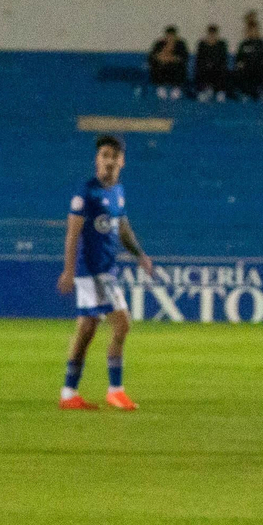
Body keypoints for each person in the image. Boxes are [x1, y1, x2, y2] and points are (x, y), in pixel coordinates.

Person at [57, 135, 154, 411]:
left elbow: (123, 228)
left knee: (87, 330)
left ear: (122, 161)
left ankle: (68, 393)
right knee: (122, 323)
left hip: (107, 273)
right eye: (104, 155)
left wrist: (140, 255)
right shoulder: (85, 193)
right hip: (92, 272)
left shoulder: (118, 191)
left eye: (114, 156)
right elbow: (72, 233)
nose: (109, 161)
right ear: (97, 160)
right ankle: (115, 390)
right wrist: (68, 270)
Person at [233, 14, 263, 101]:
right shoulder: (244, 45)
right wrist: (240, 64)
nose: (252, 33)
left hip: (260, 69)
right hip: (248, 69)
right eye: (250, 31)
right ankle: (245, 93)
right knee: (238, 71)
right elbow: (239, 59)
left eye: (254, 30)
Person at [147, 26, 188, 98]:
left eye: (172, 36)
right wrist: (160, 57)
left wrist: (171, 58)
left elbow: (183, 57)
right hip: (162, 66)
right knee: (156, 65)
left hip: (175, 66)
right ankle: (160, 87)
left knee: (179, 66)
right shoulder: (159, 44)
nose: (170, 38)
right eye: (168, 36)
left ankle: (176, 88)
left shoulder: (181, 44)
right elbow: (152, 56)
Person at [194, 24, 230, 100]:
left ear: (217, 34)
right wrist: (207, 64)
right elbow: (199, 59)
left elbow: (223, 59)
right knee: (200, 69)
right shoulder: (202, 44)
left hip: (217, 68)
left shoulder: (222, 44)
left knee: (223, 70)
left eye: (214, 34)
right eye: (210, 34)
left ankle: (220, 91)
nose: (212, 36)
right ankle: (203, 90)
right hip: (205, 68)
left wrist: (214, 64)